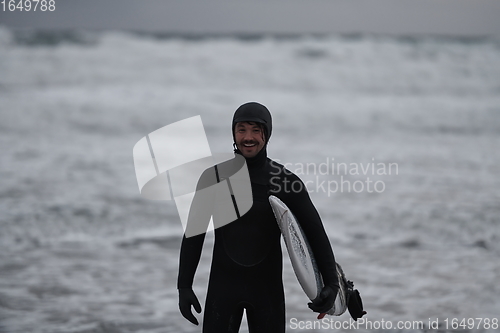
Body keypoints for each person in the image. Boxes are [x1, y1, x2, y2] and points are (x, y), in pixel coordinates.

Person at [177, 102, 339, 332]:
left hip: (266, 292)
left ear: (267, 133)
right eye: (241, 129)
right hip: (223, 288)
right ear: (233, 133)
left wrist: (331, 283)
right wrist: (184, 286)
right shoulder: (214, 178)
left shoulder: (285, 182)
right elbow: (194, 233)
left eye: (255, 130)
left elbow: (314, 233)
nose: (248, 137)